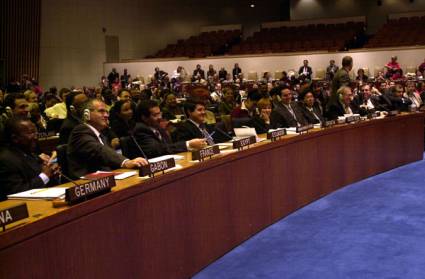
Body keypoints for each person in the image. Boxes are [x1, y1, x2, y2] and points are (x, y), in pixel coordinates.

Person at [67, 99, 148, 178]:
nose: (106, 115)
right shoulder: (80, 132)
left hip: (106, 178)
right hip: (85, 183)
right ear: (86, 114)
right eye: (101, 111)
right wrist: (126, 162)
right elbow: (99, 151)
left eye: (107, 112)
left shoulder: (101, 134)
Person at [0, 117, 59, 200]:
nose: (35, 137)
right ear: (15, 138)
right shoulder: (5, 160)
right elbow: (17, 193)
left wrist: (52, 173)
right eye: (30, 133)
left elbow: (37, 177)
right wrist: (45, 175)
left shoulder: (27, 152)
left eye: (35, 132)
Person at [131, 100, 206, 159]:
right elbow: (158, 150)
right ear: (144, 117)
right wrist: (188, 144)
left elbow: (169, 146)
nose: (160, 117)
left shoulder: (158, 127)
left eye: (160, 113)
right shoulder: (140, 129)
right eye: (155, 115)